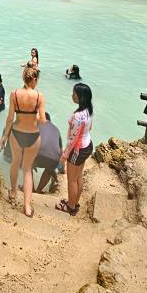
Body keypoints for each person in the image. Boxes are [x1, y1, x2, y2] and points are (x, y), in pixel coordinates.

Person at [0, 65, 46, 218]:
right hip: (33, 135)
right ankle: (26, 207)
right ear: (34, 79)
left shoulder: (14, 93)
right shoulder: (39, 96)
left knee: (15, 163)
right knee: (27, 170)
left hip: (17, 133)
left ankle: (13, 192)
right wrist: (33, 116)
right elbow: (43, 121)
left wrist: (5, 136)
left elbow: (10, 118)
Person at [56, 84, 94, 216]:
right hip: (87, 145)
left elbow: (72, 139)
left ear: (80, 97)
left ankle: (71, 207)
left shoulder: (77, 116)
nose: (72, 95)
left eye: (74, 94)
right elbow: (90, 128)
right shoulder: (88, 110)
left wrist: (64, 155)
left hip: (77, 150)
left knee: (71, 179)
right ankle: (75, 202)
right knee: (78, 176)